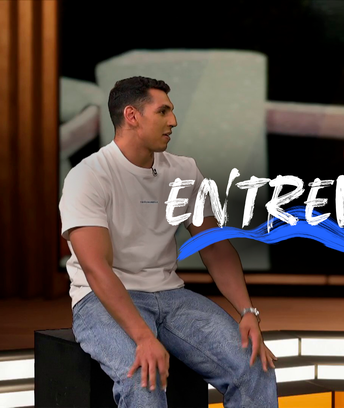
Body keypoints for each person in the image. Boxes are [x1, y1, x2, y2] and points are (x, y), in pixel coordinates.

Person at [59, 76, 278, 407]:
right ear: (132, 116)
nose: (173, 121)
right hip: (100, 299)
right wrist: (143, 337)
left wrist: (247, 311)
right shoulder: (89, 175)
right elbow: (96, 267)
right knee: (143, 377)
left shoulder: (183, 171)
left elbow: (215, 247)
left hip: (171, 296)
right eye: (163, 111)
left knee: (255, 366)